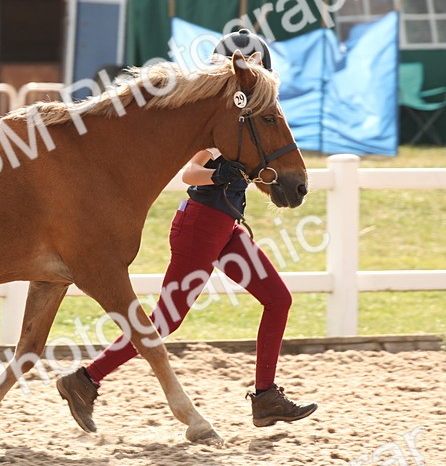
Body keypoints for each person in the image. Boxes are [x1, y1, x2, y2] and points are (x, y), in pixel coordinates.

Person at [56, 32, 317, 433]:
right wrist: (220, 172)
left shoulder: (244, 123)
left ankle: (265, 397)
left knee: (278, 299)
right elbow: (191, 173)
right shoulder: (217, 123)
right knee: (166, 320)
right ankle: (85, 379)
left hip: (225, 230)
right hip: (200, 227)